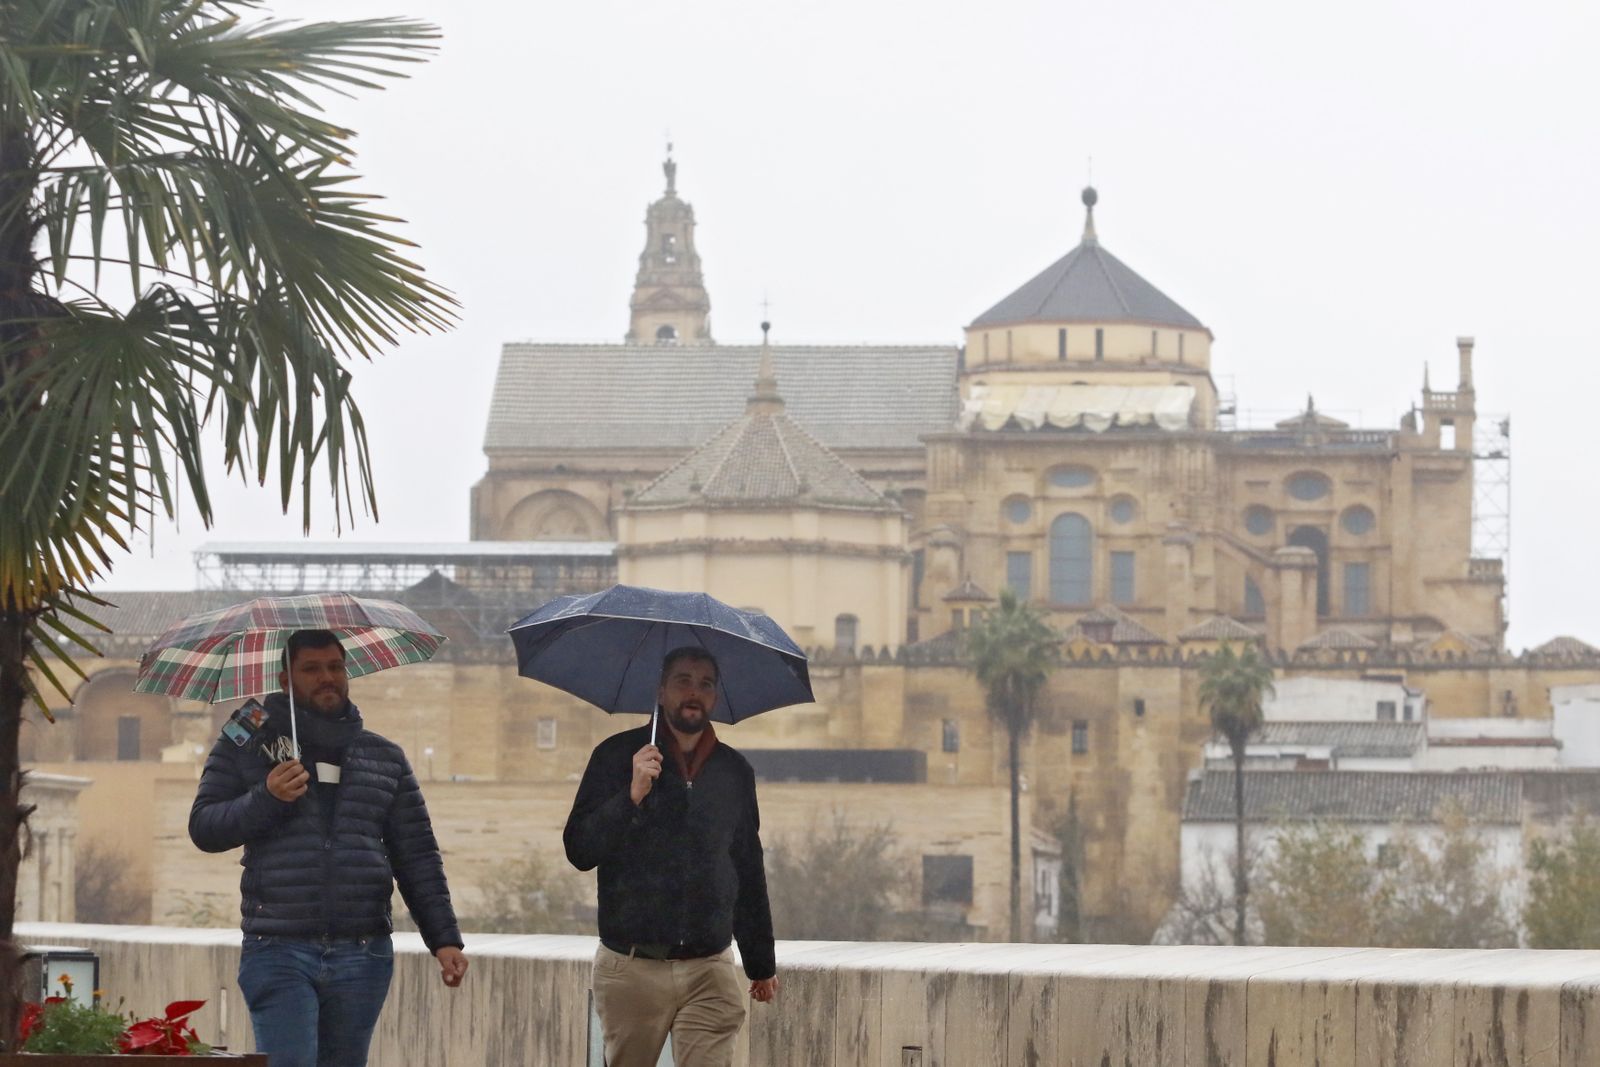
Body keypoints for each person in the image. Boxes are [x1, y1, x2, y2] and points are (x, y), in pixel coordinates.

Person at [189, 629, 468, 1066]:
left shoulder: (383, 756)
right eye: (312, 669)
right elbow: (204, 827)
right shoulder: (247, 738)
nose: (327, 678)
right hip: (279, 948)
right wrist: (266, 797)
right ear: (285, 679)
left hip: (363, 952)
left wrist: (444, 939)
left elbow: (416, 855)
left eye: (335, 667)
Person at [564, 646, 778, 1067]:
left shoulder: (734, 771)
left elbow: (747, 868)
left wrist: (760, 962)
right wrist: (631, 796)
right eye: (683, 681)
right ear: (660, 691)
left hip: (709, 968)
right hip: (633, 965)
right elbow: (579, 849)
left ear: (715, 697)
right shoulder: (616, 757)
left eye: (705, 684)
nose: (694, 692)